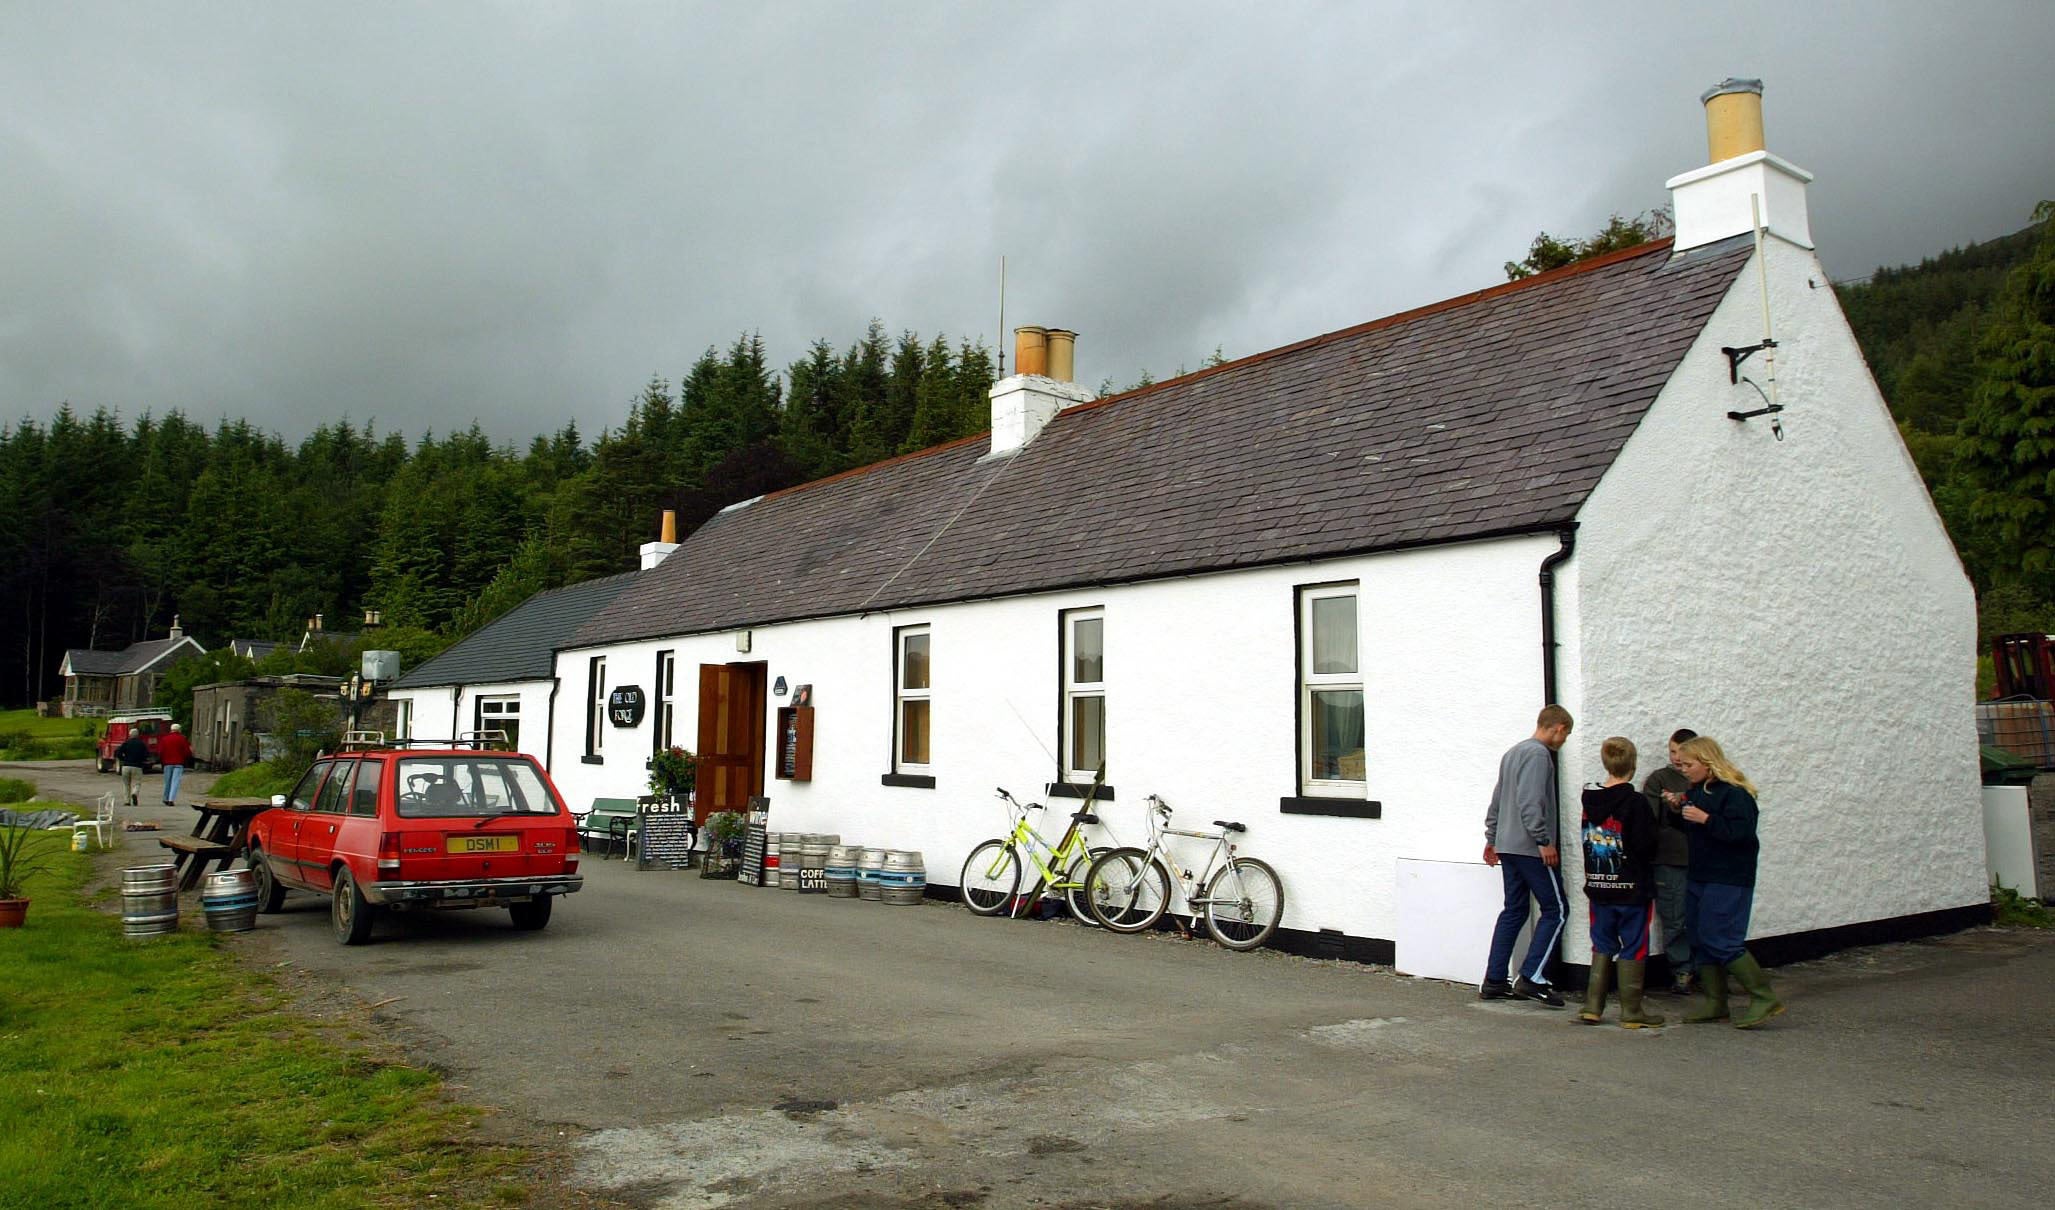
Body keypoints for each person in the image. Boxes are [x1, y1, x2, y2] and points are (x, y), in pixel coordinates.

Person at [1667, 735, 1785, 1029]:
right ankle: (1716, 1003)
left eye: (1689, 764)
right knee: (1699, 937)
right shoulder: (1695, 791)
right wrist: (1675, 811)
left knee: (1720, 937)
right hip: (1700, 874)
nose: (1684, 769)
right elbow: (1689, 828)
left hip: (1729, 877)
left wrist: (1706, 818)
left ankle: (1763, 996)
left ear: (1707, 764)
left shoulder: (1736, 795)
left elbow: (1741, 834)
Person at [1481, 704, 1573, 1006]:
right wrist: (1543, 840)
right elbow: (1531, 802)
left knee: (1515, 910)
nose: (1564, 740)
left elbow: (1498, 799)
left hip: (1508, 845)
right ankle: (1532, 976)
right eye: (1566, 734)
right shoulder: (1537, 755)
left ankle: (1495, 980)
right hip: (1530, 848)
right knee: (1556, 909)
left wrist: (1492, 838)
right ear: (1558, 727)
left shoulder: (1513, 753)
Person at [1577, 737, 1664, 1027]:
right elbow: (1645, 844)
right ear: (1633, 765)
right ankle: (1631, 1011)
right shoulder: (1636, 802)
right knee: (1634, 944)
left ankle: (1593, 1005)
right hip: (1632, 887)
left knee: (1601, 943)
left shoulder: (1589, 800)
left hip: (1599, 884)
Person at [1641, 727, 1699, 993]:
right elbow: (1651, 821)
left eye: (1681, 752)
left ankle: (1707, 968)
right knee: (1674, 916)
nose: (1676, 757)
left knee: (1701, 915)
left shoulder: (1703, 778)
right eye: (1672, 751)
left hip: (1701, 858)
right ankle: (1682, 970)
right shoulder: (1659, 779)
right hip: (1670, 859)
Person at [158, 722, 193, 806]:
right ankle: (171, 799)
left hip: (167, 763)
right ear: (179, 730)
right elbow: (187, 752)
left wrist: (162, 760)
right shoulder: (182, 738)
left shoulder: (164, 739)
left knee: (167, 782)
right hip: (179, 763)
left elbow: (160, 752)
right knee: (175, 782)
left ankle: (165, 798)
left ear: (171, 730)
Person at [116, 728, 150, 808]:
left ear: (130, 735)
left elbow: (118, 753)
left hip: (126, 766)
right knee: (137, 783)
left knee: (126, 784)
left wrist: (123, 759)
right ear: (138, 735)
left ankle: (127, 801)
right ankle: (134, 793)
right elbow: (146, 755)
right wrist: (142, 760)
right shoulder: (141, 744)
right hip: (137, 766)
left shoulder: (126, 743)